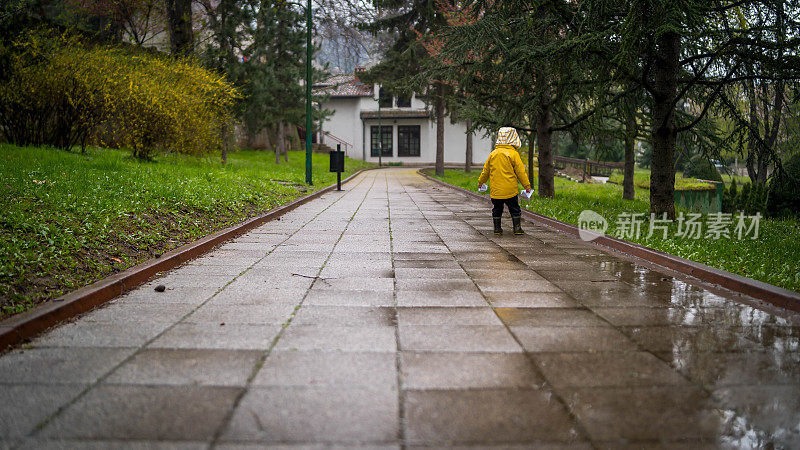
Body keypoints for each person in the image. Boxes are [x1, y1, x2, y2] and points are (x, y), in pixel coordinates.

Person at [477, 127, 532, 235]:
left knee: (497, 209)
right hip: (510, 190)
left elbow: (486, 171)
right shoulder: (513, 154)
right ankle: (517, 229)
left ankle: (497, 229)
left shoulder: (493, 154)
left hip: (496, 190)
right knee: (514, 209)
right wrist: (527, 185)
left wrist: (481, 182)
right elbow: (521, 172)